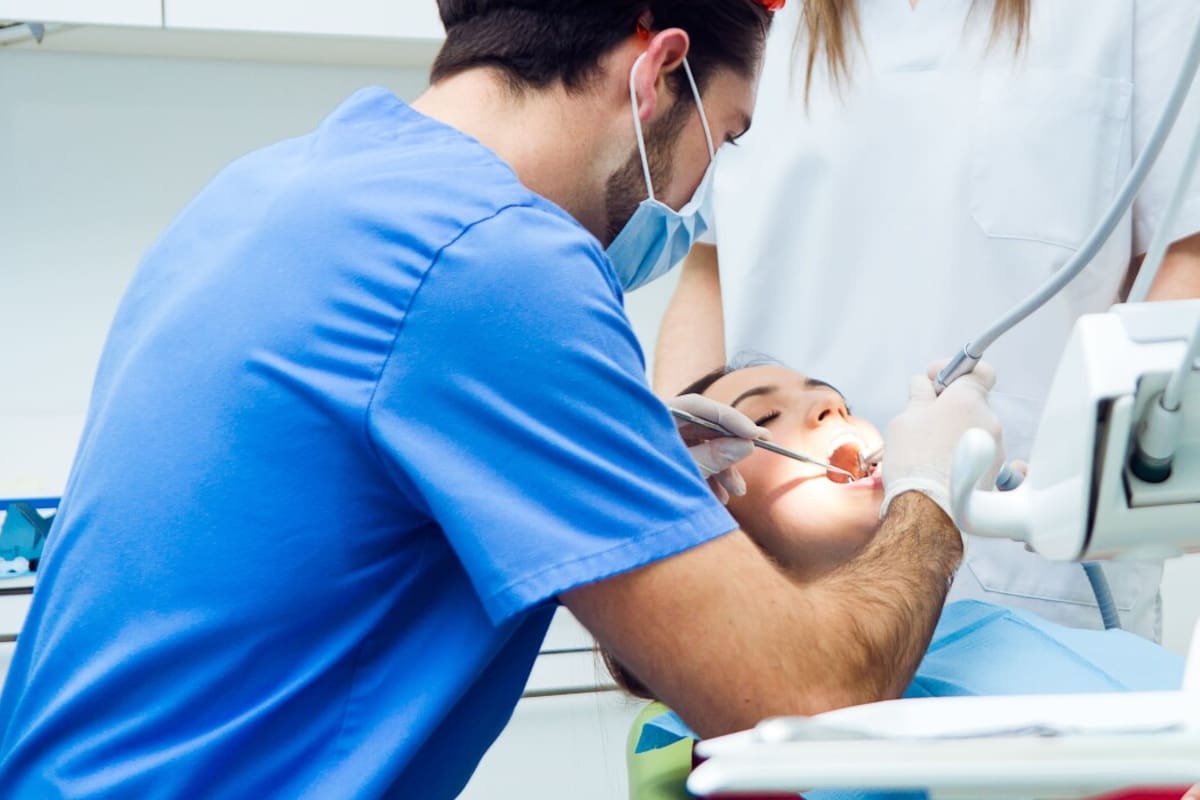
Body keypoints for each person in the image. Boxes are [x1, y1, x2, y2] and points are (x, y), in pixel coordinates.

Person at [0, 2, 1005, 798]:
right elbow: (806, 700)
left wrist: (619, 454)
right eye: (727, 136)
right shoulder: (495, 261)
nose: (702, 192)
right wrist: (931, 484)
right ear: (657, 73)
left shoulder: (263, 192)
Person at [655, 0, 1200, 641]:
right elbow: (709, 268)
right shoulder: (764, 15)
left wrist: (1115, 488)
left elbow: (1184, 256)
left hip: (1041, 583)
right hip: (782, 598)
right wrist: (675, 522)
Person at [603, 360, 1186, 800]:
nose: (830, 407)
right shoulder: (750, 737)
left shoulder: (987, 632)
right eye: (764, 418)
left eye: (835, 401)